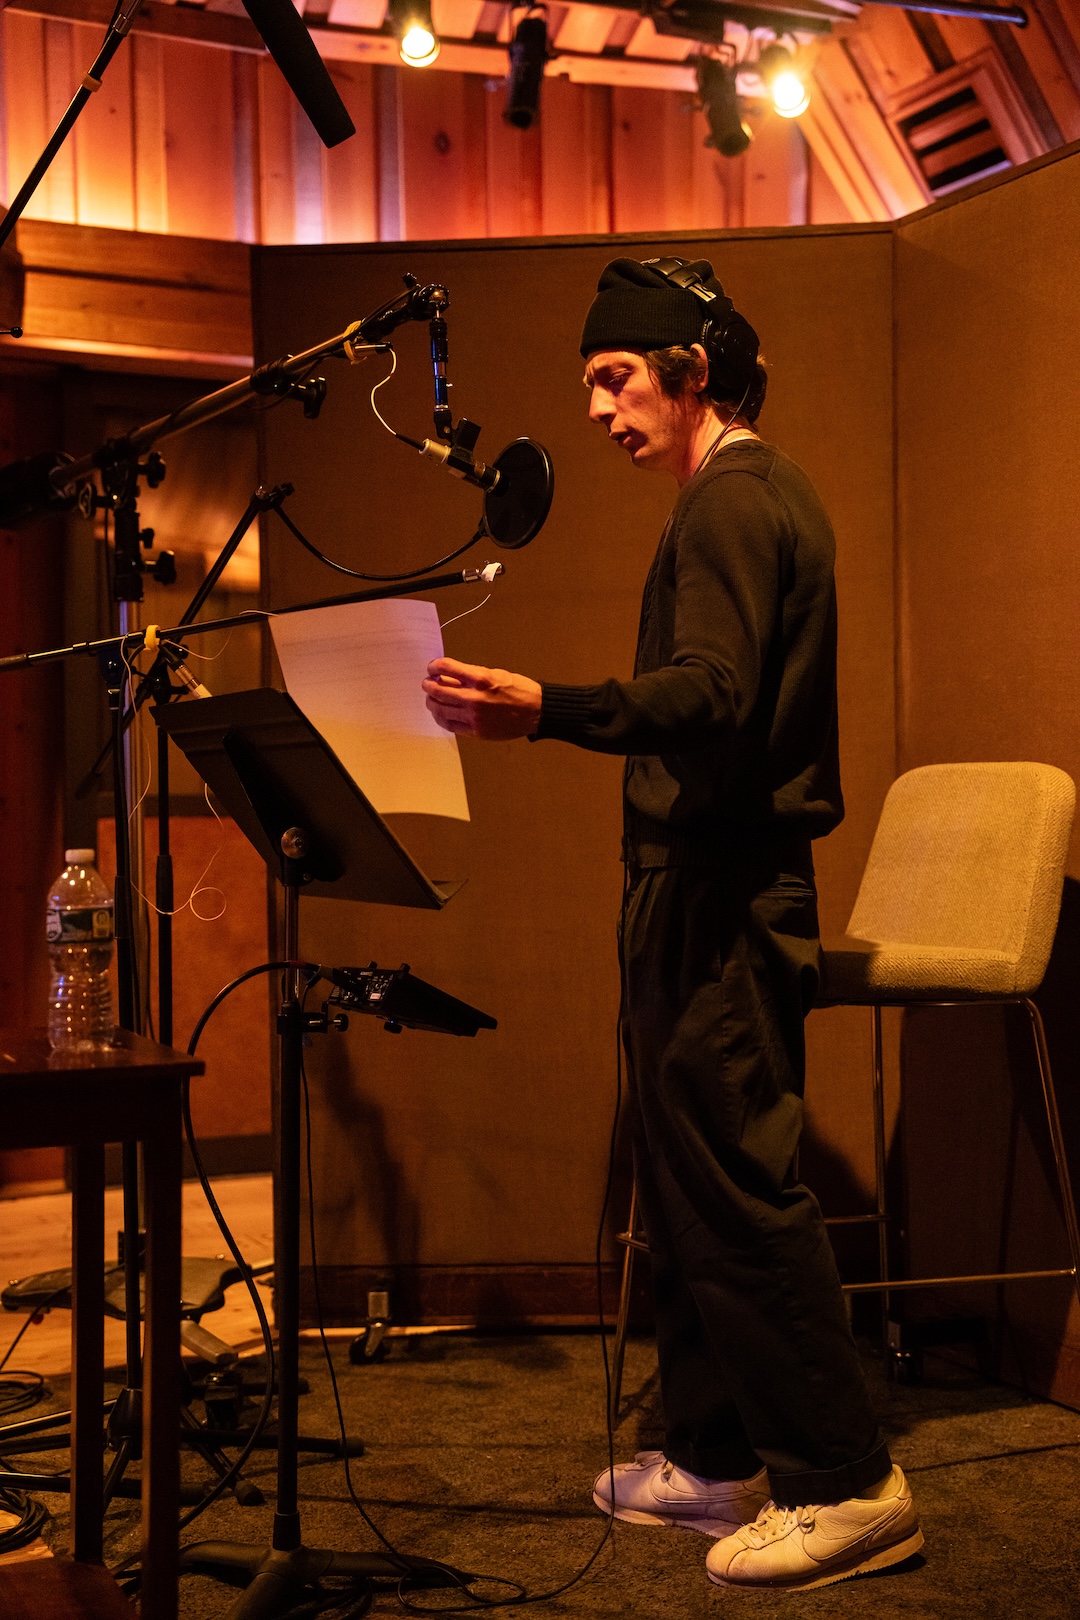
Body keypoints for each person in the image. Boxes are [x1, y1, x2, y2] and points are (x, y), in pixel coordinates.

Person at [421, 257, 922, 1593]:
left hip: (724, 890)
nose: (596, 409)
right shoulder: (733, 498)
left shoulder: (737, 499)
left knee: (739, 1187)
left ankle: (850, 1485)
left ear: (691, 373)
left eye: (616, 377)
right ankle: (714, 1459)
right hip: (697, 884)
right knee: (691, 1181)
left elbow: (709, 694)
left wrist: (552, 708)